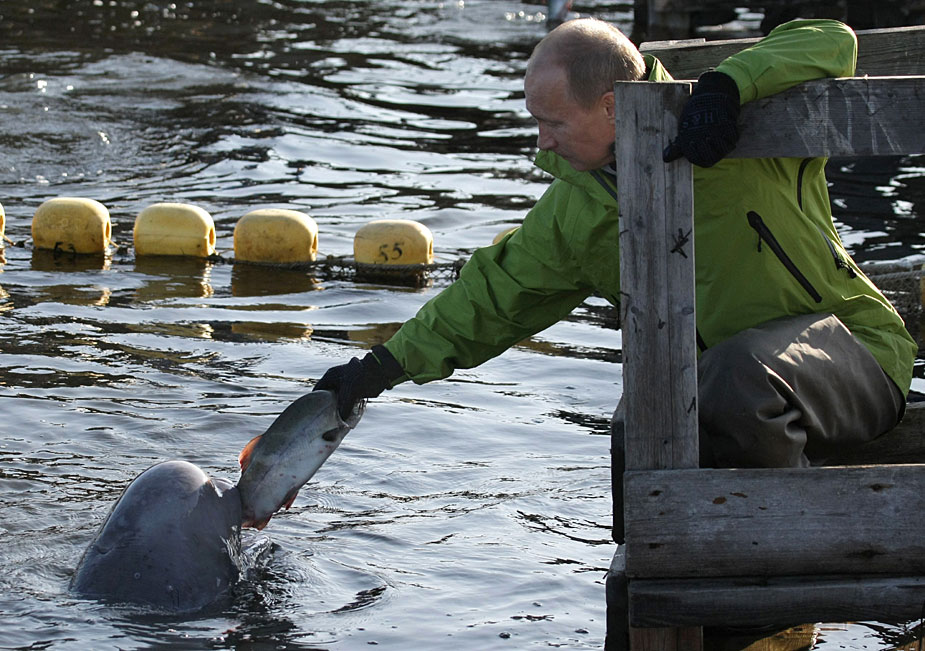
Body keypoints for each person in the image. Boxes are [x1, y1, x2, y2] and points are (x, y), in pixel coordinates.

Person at [314, 17, 916, 541]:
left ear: (609, 105)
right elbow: (489, 299)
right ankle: (665, 574)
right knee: (637, 422)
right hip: (722, 396)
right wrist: (379, 369)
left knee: (736, 375)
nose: (542, 141)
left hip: (854, 358)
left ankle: (790, 546)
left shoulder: (743, 125)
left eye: (552, 122)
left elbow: (831, 40)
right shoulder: (574, 213)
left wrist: (729, 86)